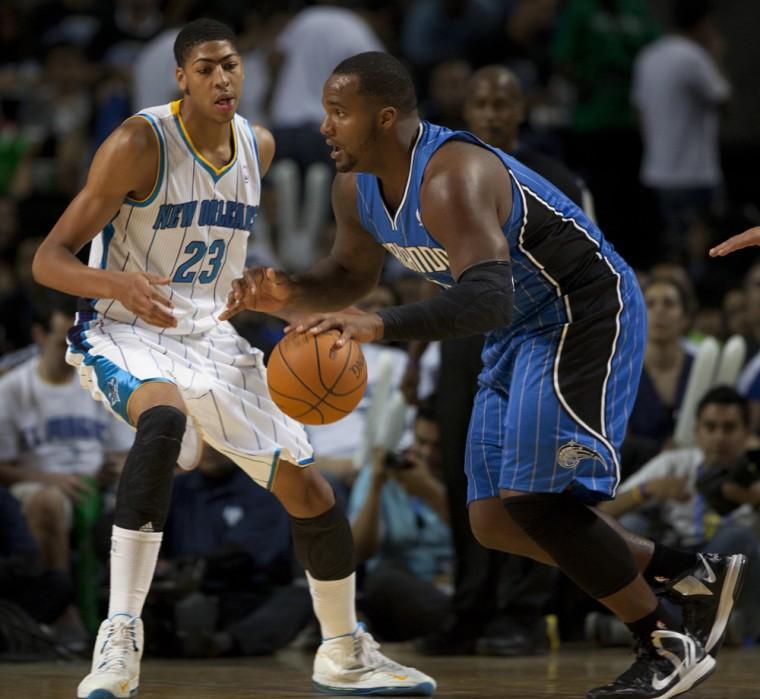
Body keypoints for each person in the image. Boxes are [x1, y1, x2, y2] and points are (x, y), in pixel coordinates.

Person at [222, 51, 746, 699]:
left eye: (338, 113)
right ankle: (690, 571)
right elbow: (348, 278)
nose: (323, 127)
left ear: (385, 119)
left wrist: (379, 326)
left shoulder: (452, 176)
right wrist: (281, 293)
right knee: (494, 519)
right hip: (517, 324)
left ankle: (664, 639)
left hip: (580, 306)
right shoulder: (353, 187)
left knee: (535, 499)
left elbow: (486, 297)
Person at [31, 21, 434, 699]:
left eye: (233, 67)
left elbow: (221, 265)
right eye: (208, 68)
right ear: (180, 78)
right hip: (127, 327)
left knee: (311, 492)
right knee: (161, 418)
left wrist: (261, 293)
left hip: (211, 338)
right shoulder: (140, 142)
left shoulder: (260, 144)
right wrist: (115, 282)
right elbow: (48, 259)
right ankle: (120, 636)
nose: (224, 80)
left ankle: (343, 650)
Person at [600, 386, 760, 646]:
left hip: (727, 576)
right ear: (697, 431)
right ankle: (701, 630)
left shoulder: (754, 471)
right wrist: (647, 491)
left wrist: (755, 500)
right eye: (711, 427)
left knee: (736, 538)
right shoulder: (675, 463)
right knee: (630, 526)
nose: (719, 437)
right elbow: (602, 513)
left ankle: (656, 627)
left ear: (746, 434)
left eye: (729, 428)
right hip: (674, 563)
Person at [632, 0, 730, 259]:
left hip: (656, 170)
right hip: (694, 172)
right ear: (704, 23)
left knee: (668, 245)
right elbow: (723, 100)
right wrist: (717, 57)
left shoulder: (648, 56)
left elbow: (639, 111)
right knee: (701, 247)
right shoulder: (694, 57)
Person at [348, 402, 452, 642]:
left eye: (438, 446)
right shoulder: (387, 472)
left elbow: (479, 542)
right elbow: (356, 553)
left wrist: (431, 493)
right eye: (421, 442)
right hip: (397, 590)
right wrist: (375, 486)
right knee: (385, 578)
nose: (427, 453)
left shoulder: (466, 475)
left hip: (454, 584)